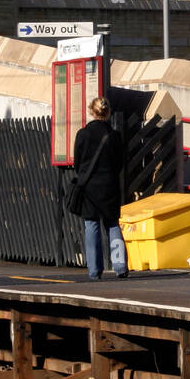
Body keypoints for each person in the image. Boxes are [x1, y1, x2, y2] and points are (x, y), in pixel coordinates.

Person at [72, 96, 129, 280]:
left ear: (91, 111)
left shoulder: (83, 134)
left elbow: (78, 162)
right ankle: (120, 267)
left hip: (89, 186)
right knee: (112, 224)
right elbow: (120, 162)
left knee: (92, 224)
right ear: (108, 112)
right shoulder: (114, 136)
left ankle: (95, 270)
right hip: (110, 184)